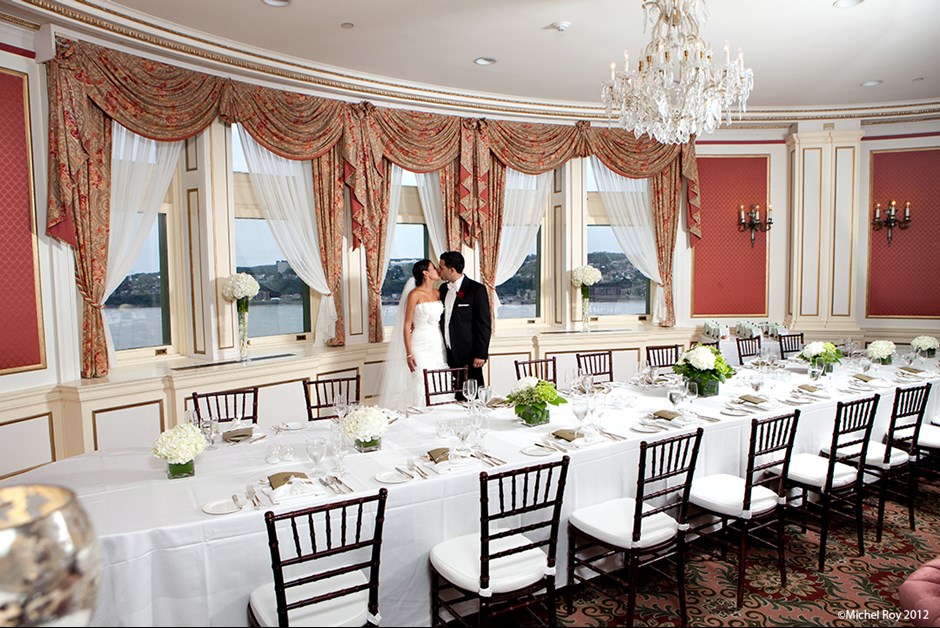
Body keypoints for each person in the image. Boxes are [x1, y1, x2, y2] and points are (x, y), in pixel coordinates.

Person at [379, 259, 449, 412]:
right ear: (425, 273)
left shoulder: (438, 293)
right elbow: (406, 324)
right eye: (433, 268)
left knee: (438, 379)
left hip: (436, 342)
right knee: (421, 381)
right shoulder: (414, 294)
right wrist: (409, 353)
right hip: (420, 343)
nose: (437, 269)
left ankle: (439, 414)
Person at [438, 251, 491, 390]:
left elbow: (484, 325)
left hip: (469, 353)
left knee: (473, 393)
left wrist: (481, 354)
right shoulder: (443, 289)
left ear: (452, 270)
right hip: (447, 352)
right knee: (451, 393)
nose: (439, 271)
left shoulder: (476, 289)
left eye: (441, 268)